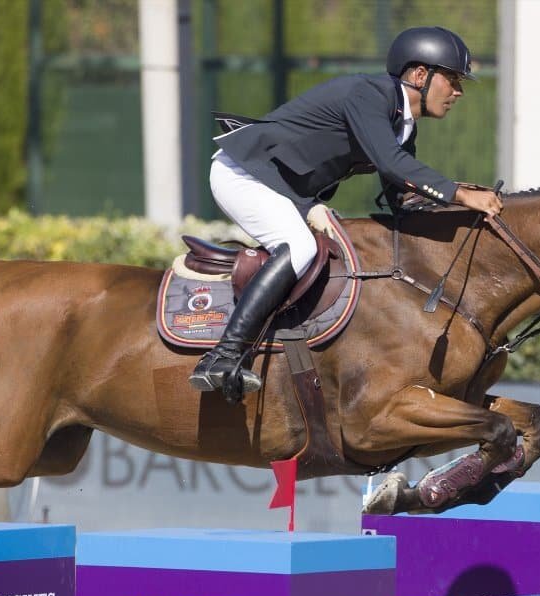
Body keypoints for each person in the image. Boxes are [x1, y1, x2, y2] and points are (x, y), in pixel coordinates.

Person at [189, 25, 503, 398]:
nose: (458, 92)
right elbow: (391, 165)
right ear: (420, 75)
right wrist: (460, 193)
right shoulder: (369, 95)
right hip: (243, 173)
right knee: (300, 246)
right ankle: (223, 357)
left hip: (278, 186)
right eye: (452, 79)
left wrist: (461, 217)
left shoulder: (403, 126)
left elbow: (403, 200)